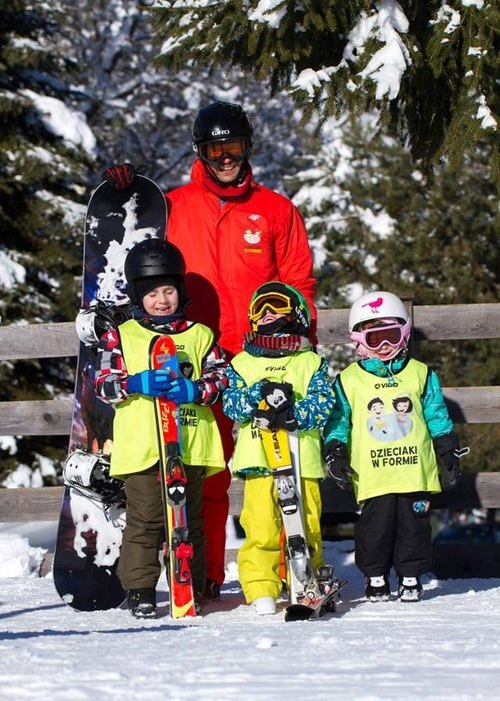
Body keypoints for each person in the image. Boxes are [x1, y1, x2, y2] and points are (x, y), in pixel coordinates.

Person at [101, 100, 316, 600]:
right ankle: (206, 573)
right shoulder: (175, 206)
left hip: (261, 360)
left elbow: (299, 282)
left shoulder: (275, 210)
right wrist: (125, 195)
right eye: (216, 149)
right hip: (193, 358)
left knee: (280, 467)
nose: (226, 158)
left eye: (234, 147)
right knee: (206, 474)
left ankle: (290, 566)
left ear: (247, 149)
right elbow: (137, 256)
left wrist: (299, 347)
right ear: (201, 151)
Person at [94, 238, 227, 618]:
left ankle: (191, 585)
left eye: (168, 290)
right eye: (152, 293)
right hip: (143, 447)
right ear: (138, 295)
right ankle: (140, 588)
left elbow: (222, 379)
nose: (162, 300)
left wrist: (195, 388)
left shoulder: (200, 336)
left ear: (179, 291)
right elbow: (103, 383)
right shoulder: (122, 335)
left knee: (190, 522)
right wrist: (134, 383)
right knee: (148, 519)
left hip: (191, 444)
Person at [322, 290, 464, 603]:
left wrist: (446, 447)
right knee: (375, 529)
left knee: (414, 527)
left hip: (415, 472)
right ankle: (375, 577)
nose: (384, 346)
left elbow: (437, 414)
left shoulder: (420, 374)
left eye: (391, 336)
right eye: (375, 339)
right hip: (374, 476)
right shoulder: (349, 380)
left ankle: (411, 575)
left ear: (405, 334)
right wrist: (335, 450)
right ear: (359, 341)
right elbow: (338, 421)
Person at [222, 282, 335, 615]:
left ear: (295, 314)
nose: (268, 314)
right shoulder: (242, 363)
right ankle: (261, 586)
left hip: (302, 460)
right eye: (260, 309)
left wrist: (294, 413)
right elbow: (232, 403)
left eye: (276, 307)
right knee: (260, 525)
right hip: (259, 459)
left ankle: (305, 580)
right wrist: (258, 396)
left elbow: (323, 404)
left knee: (306, 523)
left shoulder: (309, 362)